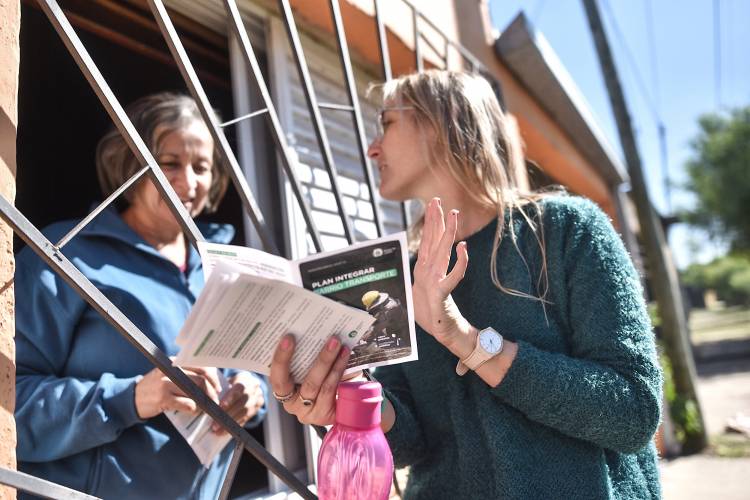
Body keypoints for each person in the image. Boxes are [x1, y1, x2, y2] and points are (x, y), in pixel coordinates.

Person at [269, 70, 662, 499]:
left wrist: (465, 339)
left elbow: (634, 410)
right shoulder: (406, 274)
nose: (371, 147)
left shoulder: (567, 231)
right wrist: (350, 398)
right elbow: (413, 440)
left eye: (387, 122)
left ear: (444, 119)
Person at [15, 92, 267, 499]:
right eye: (169, 163)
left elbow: (260, 364)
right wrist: (132, 397)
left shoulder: (224, 268)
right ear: (131, 164)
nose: (189, 182)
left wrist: (252, 390)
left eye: (202, 166)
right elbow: (12, 400)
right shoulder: (64, 254)